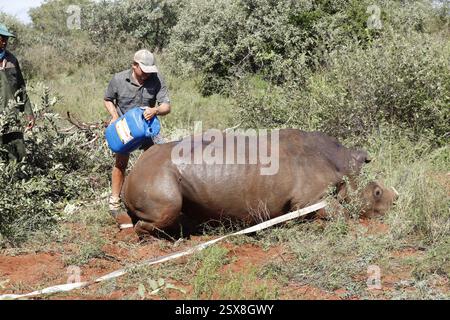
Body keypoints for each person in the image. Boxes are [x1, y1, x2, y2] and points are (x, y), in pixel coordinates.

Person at [104, 49, 171, 227]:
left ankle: (153, 200)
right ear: (134, 65)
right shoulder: (118, 79)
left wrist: (155, 110)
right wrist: (113, 116)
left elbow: (166, 106)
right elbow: (108, 99)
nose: (148, 74)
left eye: (150, 70)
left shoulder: (156, 79)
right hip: (125, 128)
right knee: (121, 162)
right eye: (144, 70)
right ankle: (115, 202)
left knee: (159, 160)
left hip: (147, 129)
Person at [0, 23, 34, 162]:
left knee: (17, 154)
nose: (4, 42)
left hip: (13, 116)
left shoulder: (12, 60)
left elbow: (21, 89)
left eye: (6, 39)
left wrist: (29, 113)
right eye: (1, 38)